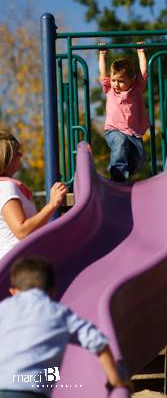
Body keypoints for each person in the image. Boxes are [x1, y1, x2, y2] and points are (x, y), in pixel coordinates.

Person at [0, 256, 132, 395]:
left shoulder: (3, 308)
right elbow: (98, 342)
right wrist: (116, 380)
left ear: (13, 292)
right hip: (31, 391)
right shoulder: (59, 313)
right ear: (53, 291)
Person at [0, 132, 67, 262]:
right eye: (16, 153)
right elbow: (22, 231)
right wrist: (53, 204)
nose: (21, 155)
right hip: (15, 265)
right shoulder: (6, 187)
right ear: (4, 159)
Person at [98, 42, 151, 182]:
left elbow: (144, 73)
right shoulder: (109, 89)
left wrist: (140, 52)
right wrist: (102, 54)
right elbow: (103, 75)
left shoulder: (137, 87)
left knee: (140, 157)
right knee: (120, 142)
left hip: (134, 131)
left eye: (120, 81)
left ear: (132, 80)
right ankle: (117, 171)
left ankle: (124, 174)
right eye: (114, 80)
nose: (116, 84)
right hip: (114, 130)